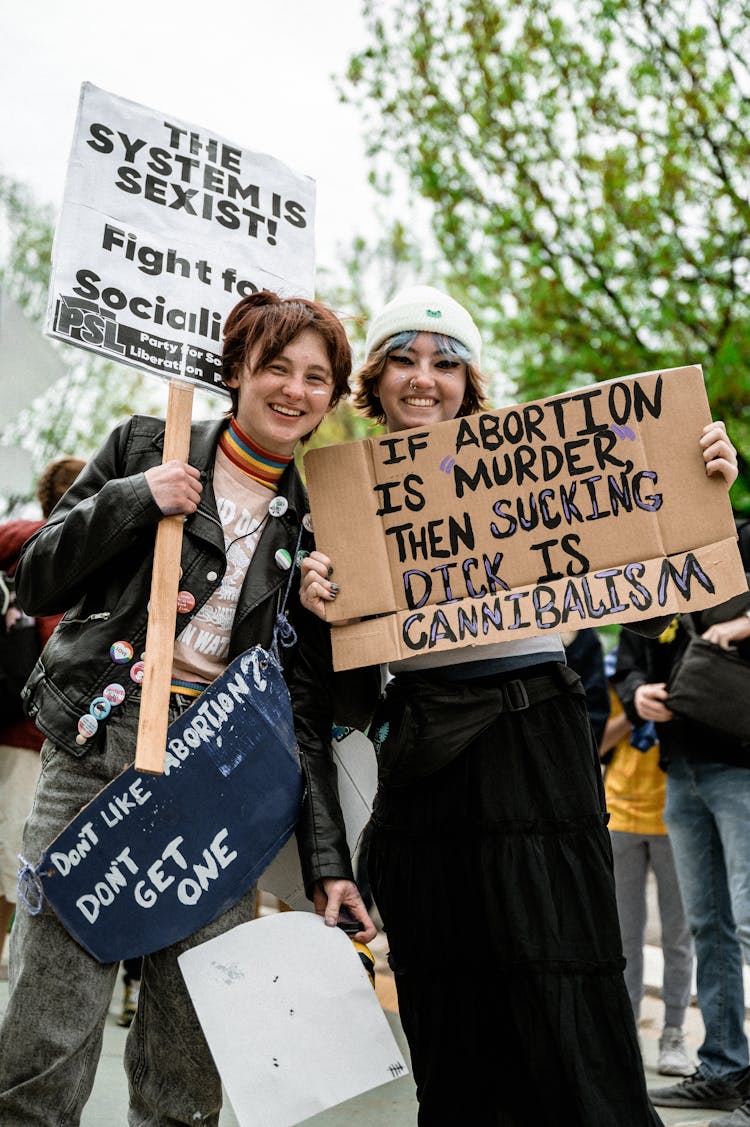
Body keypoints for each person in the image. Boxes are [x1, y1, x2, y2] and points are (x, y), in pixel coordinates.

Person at [299, 284, 739, 1126]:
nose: (423, 378)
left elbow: (657, 586)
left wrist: (700, 475)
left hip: (535, 738)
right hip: (427, 751)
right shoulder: (339, 496)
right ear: (377, 380)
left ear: (470, 382)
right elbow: (340, 688)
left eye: (445, 361)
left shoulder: (541, 462)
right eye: (403, 358)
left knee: (558, 968)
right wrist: (318, 597)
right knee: (450, 979)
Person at [0, 291, 375, 1126]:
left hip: (224, 781)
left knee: (190, 1039)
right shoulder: (145, 444)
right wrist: (136, 497)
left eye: (317, 376)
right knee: (48, 1019)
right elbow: (33, 578)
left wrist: (328, 862)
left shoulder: (322, 524)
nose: (294, 390)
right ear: (235, 369)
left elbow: (308, 713)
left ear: (333, 395)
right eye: (276, 366)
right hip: (96, 747)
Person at [615, 519, 750, 1127]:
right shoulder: (656, 555)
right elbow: (632, 654)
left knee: (748, 923)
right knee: (710, 926)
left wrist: (743, 625)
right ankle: (723, 1072)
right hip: (682, 767)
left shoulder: (744, 539)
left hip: (743, 765)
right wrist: (639, 689)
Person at [0, 455, 86, 968]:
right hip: (42, 733)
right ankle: (17, 959)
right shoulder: (75, 550)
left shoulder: (17, 541)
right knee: (22, 852)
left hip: (10, 722)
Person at [601, 644, 695, 1076]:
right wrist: (637, 709)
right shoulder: (618, 674)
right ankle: (624, 1034)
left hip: (678, 817)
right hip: (620, 813)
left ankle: (673, 1033)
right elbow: (597, 742)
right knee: (622, 936)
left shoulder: (690, 664)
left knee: (679, 936)